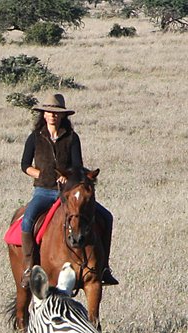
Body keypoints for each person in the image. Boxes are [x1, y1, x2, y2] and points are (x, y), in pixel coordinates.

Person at [19, 93, 117, 288]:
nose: (52, 116)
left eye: (56, 113)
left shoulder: (72, 138)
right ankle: (29, 267)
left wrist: (70, 177)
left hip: (69, 193)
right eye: (49, 112)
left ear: (63, 116)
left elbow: (78, 166)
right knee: (28, 220)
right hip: (43, 191)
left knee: (106, 217)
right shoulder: (34, 138)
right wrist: (39, 174)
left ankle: (104, 267)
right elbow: (24, 165)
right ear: (43, 115)